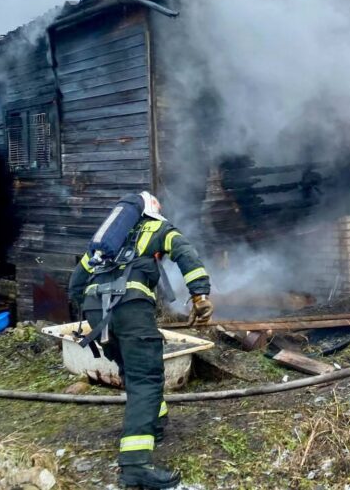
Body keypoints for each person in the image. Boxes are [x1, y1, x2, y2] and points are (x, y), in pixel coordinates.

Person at [68, 191, 213, 489]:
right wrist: (199, 295)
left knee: (133, 370)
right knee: (146, 377)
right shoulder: (158, 228)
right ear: (153, 211)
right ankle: (135, 465)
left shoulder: (103, 242)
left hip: (98, 314)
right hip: (130, 309)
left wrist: (87, 312)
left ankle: (155, 424)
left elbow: (75, 284)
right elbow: (186, 253)